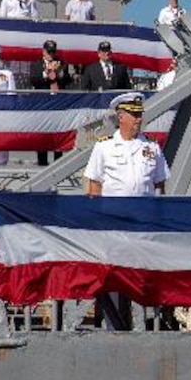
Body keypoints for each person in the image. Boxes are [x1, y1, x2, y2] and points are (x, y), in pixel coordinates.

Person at [84, 93, 170, 330]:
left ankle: (149, 327)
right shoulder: (104, 147)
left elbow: (160, 185)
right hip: (115, 226)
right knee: (115, 278)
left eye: (140, 114)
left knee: (144, 277)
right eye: (134, 114)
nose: (139, 119)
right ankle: (115, 328)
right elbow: (94, 188)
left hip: (143, 226)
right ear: (121, 117)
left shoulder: (151, 147)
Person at [30, 40, 70, 166]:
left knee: (57, 134)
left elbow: (67, 80)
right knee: (43, 133)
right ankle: (42, 161)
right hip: (42, 104)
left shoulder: (62, 63)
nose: (51, 54)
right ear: (44, 51)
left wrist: (59, 74)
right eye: (49, 52)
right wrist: (46, 73)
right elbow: (34, 80)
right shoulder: (36, 64)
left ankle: (58, 162)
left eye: (53, 52)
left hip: (57, 103)